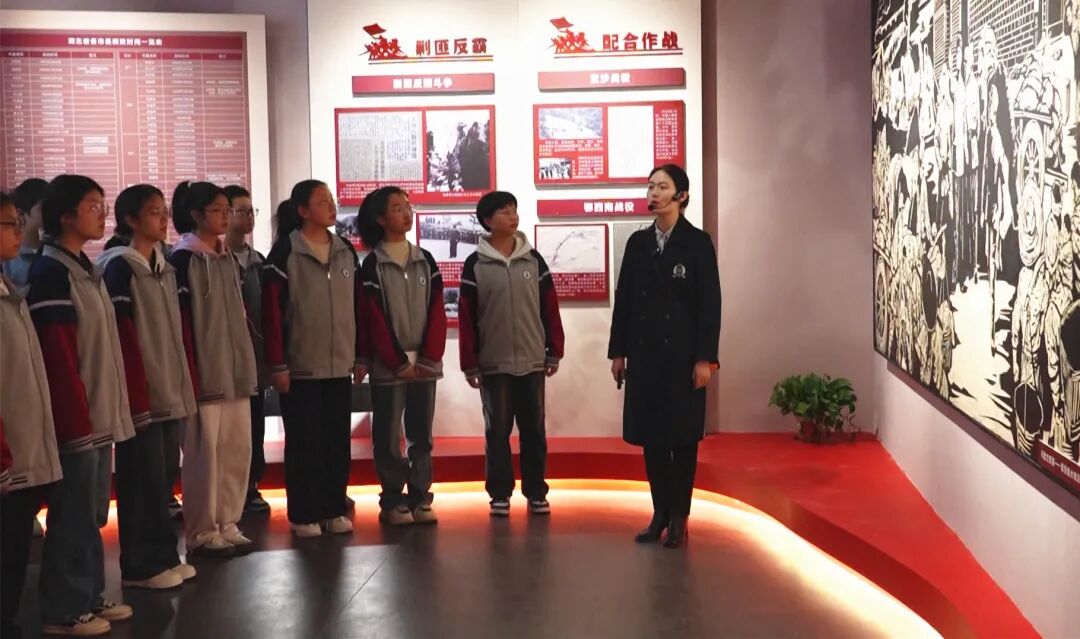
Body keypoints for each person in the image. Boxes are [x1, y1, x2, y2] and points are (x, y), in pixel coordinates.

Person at [28, 175, 137, 635]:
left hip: (97, 410)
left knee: (91, 513)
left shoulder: (83, 268)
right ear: (66, 216)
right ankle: (64, 608)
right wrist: (76, 421)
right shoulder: (51, 273)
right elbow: (59, 354)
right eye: (92, 206)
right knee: (72, 513)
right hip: (78, 416)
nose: (101, 214)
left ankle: (88, 594)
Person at [608, 164, 721, 549]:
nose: (653, 193)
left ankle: (679, 517)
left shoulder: (697, 243)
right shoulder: (638, 243)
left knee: (682, 440)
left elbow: (710, 305)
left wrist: (705, 359)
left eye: (662, 187)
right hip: (645, 357)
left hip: (684, 359)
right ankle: (659, 513)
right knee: (652, 440)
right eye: (650, 187)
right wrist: (618, 352)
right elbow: (624, 299)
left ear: (681, 196)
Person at [97, 184, 198, 590]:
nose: (162, 218)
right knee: (141, 478)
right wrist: (136, 389)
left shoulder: (164, 265)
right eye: (153, 212)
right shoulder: (119, 267)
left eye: (163, 211)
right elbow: (123, 333)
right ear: (130, 219)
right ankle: (140, 564)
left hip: (168, 385)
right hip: (141, 390)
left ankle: (163, 555)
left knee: (164, 476)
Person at [262, 180, 361, 537]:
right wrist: (278, 364)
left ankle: (333, 508)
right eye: (322, 201)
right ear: (302, 210)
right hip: (300, 365)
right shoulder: (285, 252)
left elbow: (359, 306)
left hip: (339, 363)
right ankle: (304, 513)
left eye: (331, 200)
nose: (331, 206)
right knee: (304, 443)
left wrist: (359, 355)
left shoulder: (345, 250)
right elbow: (272, 313)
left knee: (336, 440)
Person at [459, 190, 564, 516]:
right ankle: (500, 493)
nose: (512, 216)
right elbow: (466, 317)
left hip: (532, 360)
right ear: (488, 220)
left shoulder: (534, 260)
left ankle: (536, 492)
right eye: (504, 211)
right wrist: (470, 363)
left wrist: (554, 350)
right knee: (497, 431)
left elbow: (549, 307)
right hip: (494, 363)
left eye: (514, 210)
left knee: (534, 430)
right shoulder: (475, 264)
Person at [168, 181, 258, 555]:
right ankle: (203, 530)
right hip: (205, 373)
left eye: (227, 209)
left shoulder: (227, 258)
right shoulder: (183, 260)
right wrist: (191, 371)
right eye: (218, 210)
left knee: (237, 448)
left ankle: (228, 520)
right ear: (195, 215)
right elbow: (183, 322)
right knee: (205, 454)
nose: (226, 216)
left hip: (235, 371)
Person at [357, 186, 447, 525]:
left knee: (421, 434)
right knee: (387, 434)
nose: (407, 213)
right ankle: (393, 499)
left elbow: (437, 310)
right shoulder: (372, 265)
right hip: (388, 366)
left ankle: (421, 495)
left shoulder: (425, 259)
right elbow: (373, 316)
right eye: (397, 208)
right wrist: (396, 361)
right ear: (380, 219)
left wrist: (428, 357)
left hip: (424, 365)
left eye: (408, 206)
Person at [0, 191, 63, 639]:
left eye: (18, 221)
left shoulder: (8, 288)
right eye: (8, 223)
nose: (18, 231)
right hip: (7, 450)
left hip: (21, 443)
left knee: (14, 552)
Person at [224, 185, 271, 514]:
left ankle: (252, 484)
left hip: (255, 359)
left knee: (255, 424)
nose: (248, 217)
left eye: (251, 211)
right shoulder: (211, 259)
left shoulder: (259, 263)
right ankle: (228, 490)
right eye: (241, 211)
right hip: (224, 361)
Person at [1, 178, 48, 289]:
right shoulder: (9, 255)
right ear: (21, 214)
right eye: (43, 209)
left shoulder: (51, 249)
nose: (50, 214)